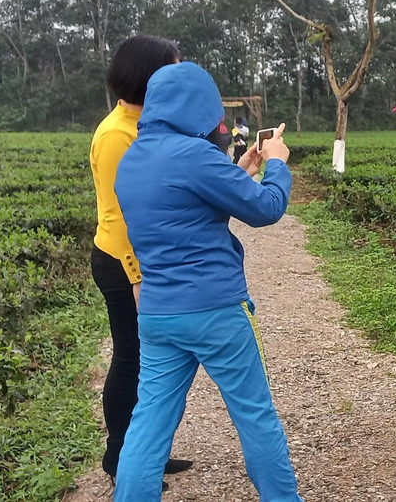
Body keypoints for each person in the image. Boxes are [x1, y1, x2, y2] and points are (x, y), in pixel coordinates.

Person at [112, 62, 300, 502]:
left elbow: (189, 204)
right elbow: (266, 208)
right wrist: (275, 164)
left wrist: (241, 167)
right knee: (254, 415)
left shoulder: (132, 159)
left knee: (149, 421)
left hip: (158, 314)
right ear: (199, 106)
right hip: (215, 311)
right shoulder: (194, 155)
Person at [88, 35, 193, 485]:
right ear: (148, 77)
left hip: (147, 262)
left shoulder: (148, 124)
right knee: (131, 360)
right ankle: (118, 458)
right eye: (171, 71)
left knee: (154, 361)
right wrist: (137, 276)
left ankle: (146, 451)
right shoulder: (117, 135)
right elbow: (120, 212)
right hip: (122, 262)